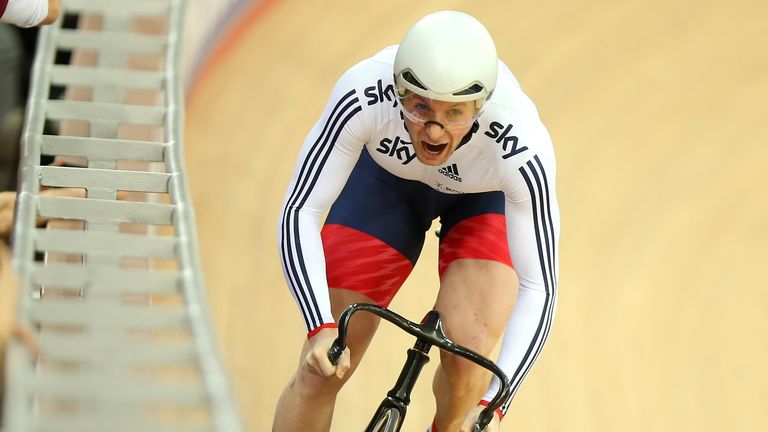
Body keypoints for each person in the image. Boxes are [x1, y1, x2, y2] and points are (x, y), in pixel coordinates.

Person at [273, 10, 559, 432]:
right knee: (323, 366)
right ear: (397, 90)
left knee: (469, 355)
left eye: (455, 114)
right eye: (419, 106)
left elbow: (540, 286)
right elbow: (301, 210)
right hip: (386, 183)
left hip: (480, 198)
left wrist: (494, 405)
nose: (435, 132)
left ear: (482, 105)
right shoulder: (363, 91)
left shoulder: (521, 142)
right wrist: (319, 326)